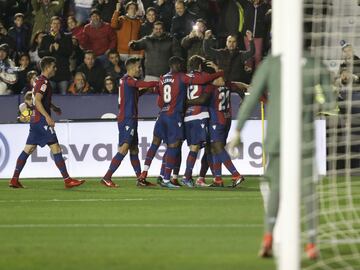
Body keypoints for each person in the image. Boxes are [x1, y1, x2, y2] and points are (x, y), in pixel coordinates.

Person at [227, 55, 335, 259]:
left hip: (277, 138)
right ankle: (312, 243)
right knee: (308, 189)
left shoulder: (271, 64)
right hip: (303, 138)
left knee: (276, 188)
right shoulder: (314, 65)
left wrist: (238, 130)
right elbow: (329, 102)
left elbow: (251, 97)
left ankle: (268, 237)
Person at [138, 56, 225, 188]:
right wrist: (219, 72)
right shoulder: (181, 76)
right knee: (174, 146)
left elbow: (159, 102)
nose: (182, 67)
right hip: (175, 116)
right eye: (180, 65)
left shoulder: (162, 79)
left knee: (155, 144)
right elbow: (202, 79)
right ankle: (167, 179)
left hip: (161, 115)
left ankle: (144, 174)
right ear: (177, 65)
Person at [9, 56, 85, 189]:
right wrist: (48, 117)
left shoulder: (39, 80)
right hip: (41, 121)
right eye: (54, 67)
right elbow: (37, 101)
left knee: (28, 149)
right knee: (56, 148)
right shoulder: (43, 82)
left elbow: (40, 99)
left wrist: (53, 107)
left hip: (35, 120)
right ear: (48, 67)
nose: (55, 69)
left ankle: (14, 179)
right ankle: (67, 180)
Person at [101, 57, 159, 188]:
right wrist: (156, 83)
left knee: (134, 150)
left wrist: (147, 89)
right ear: (131, 68)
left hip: (130, 118)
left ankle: (140, 179)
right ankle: (107, 177)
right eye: (138, 67)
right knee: (124, 148)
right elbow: (140, 84)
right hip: (127, 118)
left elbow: (135, 93)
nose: (140, 69)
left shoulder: (126, 81)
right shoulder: (128, 80)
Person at [38, 16, 73, 95]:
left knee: (64, 97)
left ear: (60, 25)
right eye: (54, 23)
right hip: (49, 75)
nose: (56, 25)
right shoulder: (45, 38)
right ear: (51, 25)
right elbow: (40, 53)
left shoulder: (67, 37)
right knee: (49, 97)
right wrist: (49, 51)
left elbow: (69, 52)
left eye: (58, 23)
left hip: (63, 74)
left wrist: (59, 49)